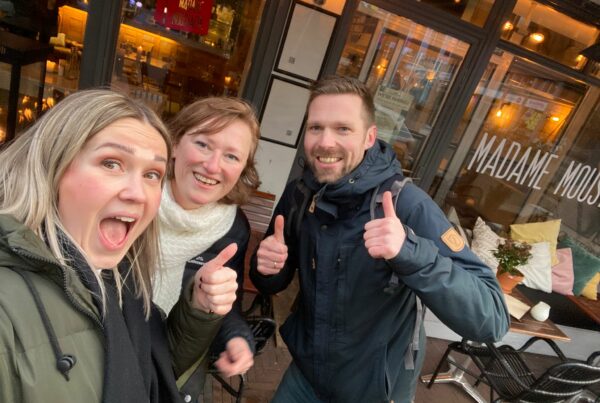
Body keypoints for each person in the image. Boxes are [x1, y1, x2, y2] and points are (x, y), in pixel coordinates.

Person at [250, 76, 510, 403]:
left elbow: (492, 319)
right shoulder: (300, 194)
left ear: (369, 137)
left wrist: (410, 252)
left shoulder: (407, 205)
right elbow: (271, 281)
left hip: (376, 391)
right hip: (306, 377)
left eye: (343, 129)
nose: (325, 142)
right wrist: (267, 268)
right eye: (316, 127)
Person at [0, 89, 239, 403]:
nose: (137, 193)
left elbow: (153, 372)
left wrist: (196, 308)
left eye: (152, 174)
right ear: (52, 164)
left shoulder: (122, 276)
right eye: (111, 163)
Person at [152, 97, 261, 398]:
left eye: (231, 156)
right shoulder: (135, 197)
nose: (213, 166)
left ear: (243, 168)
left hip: (172, 376)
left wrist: (237, 338)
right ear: (175, 143)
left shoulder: (233, 229)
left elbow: (225, 303)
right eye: (203, 144)